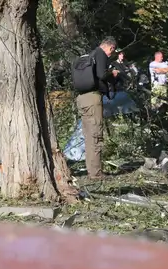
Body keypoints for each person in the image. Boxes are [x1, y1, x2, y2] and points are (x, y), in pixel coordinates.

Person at [75, 36, 118, 180]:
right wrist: (112, 73)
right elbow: (101, 75)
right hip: (93, 98)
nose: (111, 54)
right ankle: (96, 173)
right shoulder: (100, 54)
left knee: (88, 136)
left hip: (82, 98)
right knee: (95, 135)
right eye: (112, 51)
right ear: (111, 47)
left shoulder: (91, 54)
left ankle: (91, 170)